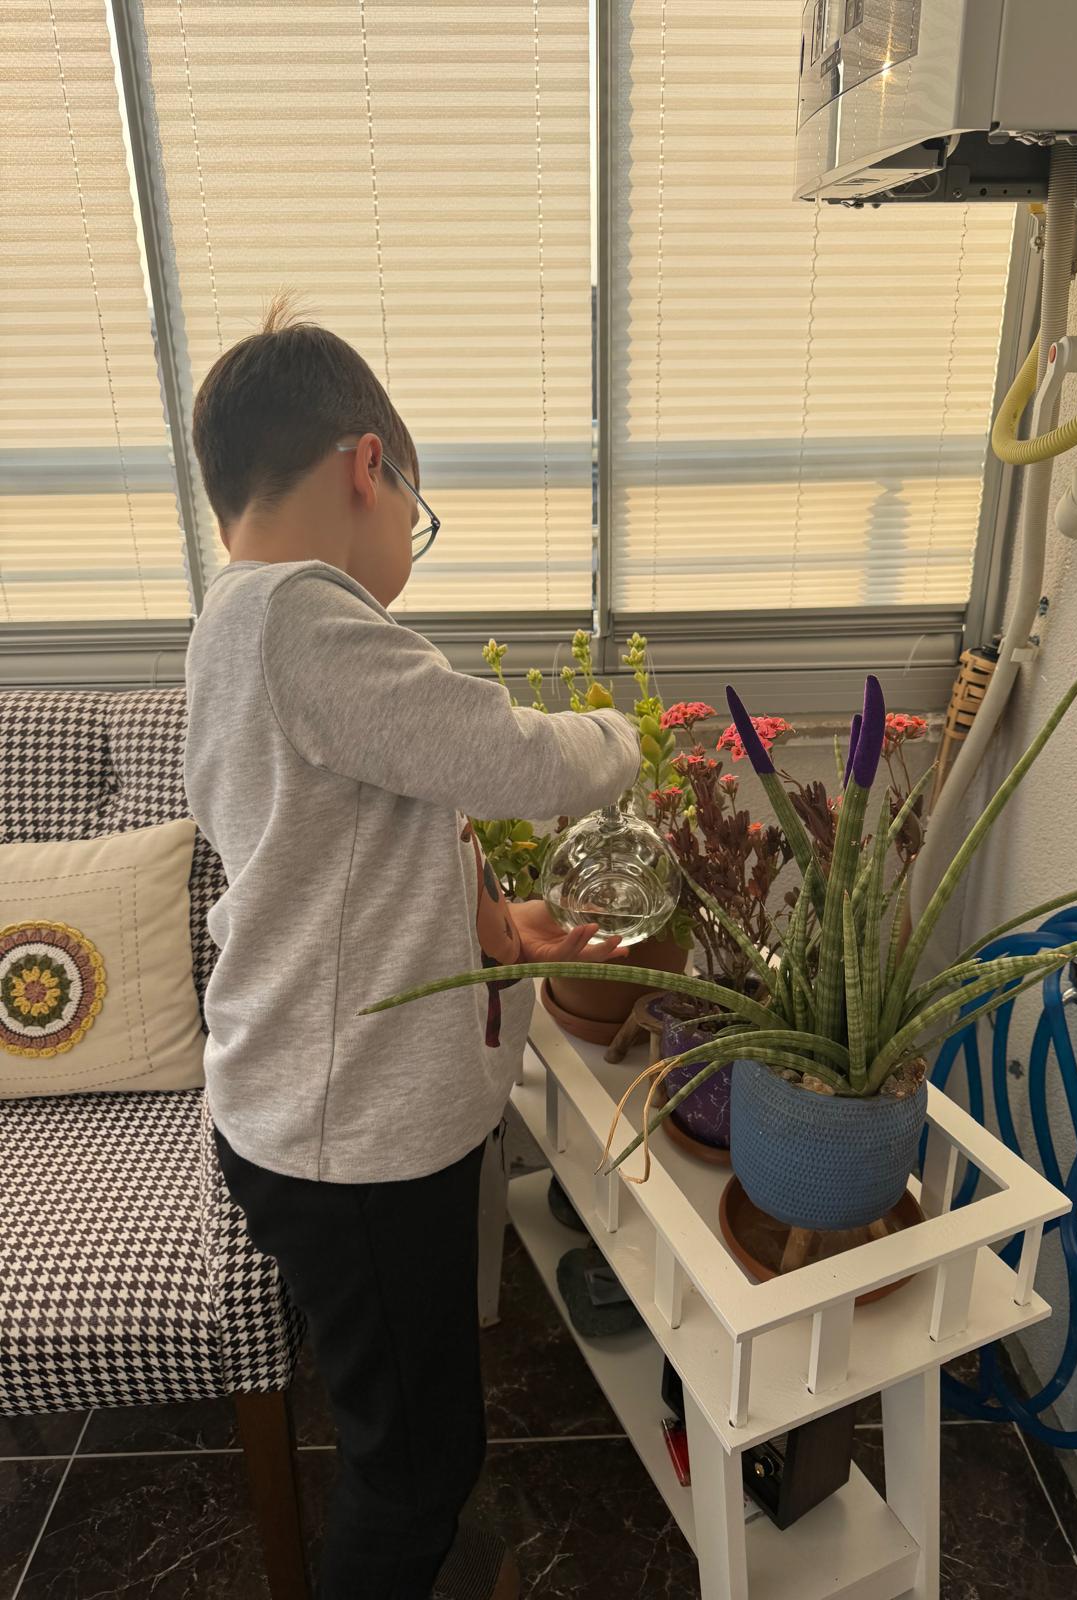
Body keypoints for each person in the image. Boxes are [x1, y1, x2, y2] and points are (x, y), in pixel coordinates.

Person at [183, 297, 640, 1600]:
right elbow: (500, 755)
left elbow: (351, 848)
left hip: (320, 1117)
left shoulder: (232, 625)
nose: (409, 551)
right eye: (415, 515)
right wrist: (617, 739)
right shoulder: (302, 616)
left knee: (406, 1426)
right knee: (418, 1467)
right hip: (355, 1149)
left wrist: (496, 926)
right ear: (366, 466)